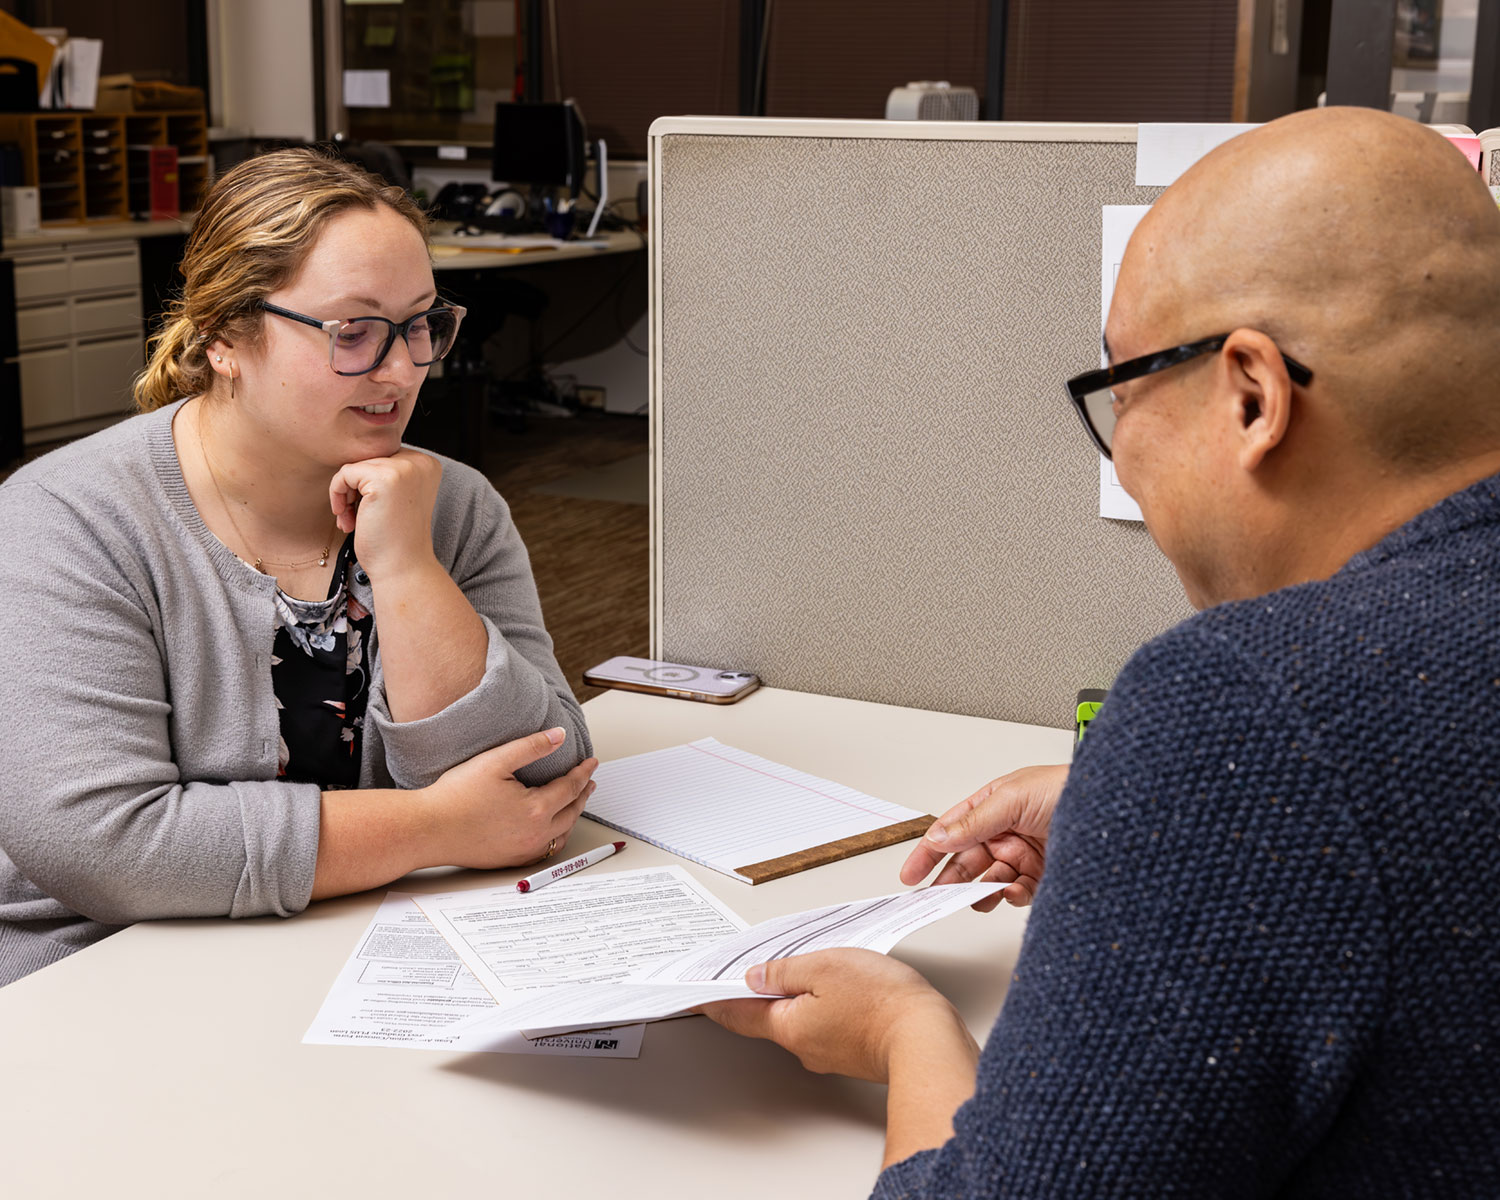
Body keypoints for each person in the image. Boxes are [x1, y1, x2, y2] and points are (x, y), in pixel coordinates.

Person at [703, 107, 1500, 1195]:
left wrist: (905, 1032)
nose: (1124, 461)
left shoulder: (1250, 707)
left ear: (1253, 396)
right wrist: (1120, 809)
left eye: (1123, 394)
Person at [0, 149, 597, 988]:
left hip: (359, 954)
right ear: (223, 338)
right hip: (108, 971)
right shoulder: (69, 519)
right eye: (352, 332)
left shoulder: (449, 505)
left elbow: (542, 780)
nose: (401, 370)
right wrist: (432, 826)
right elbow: (104, 844)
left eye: (421, 324)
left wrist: (407, 567)